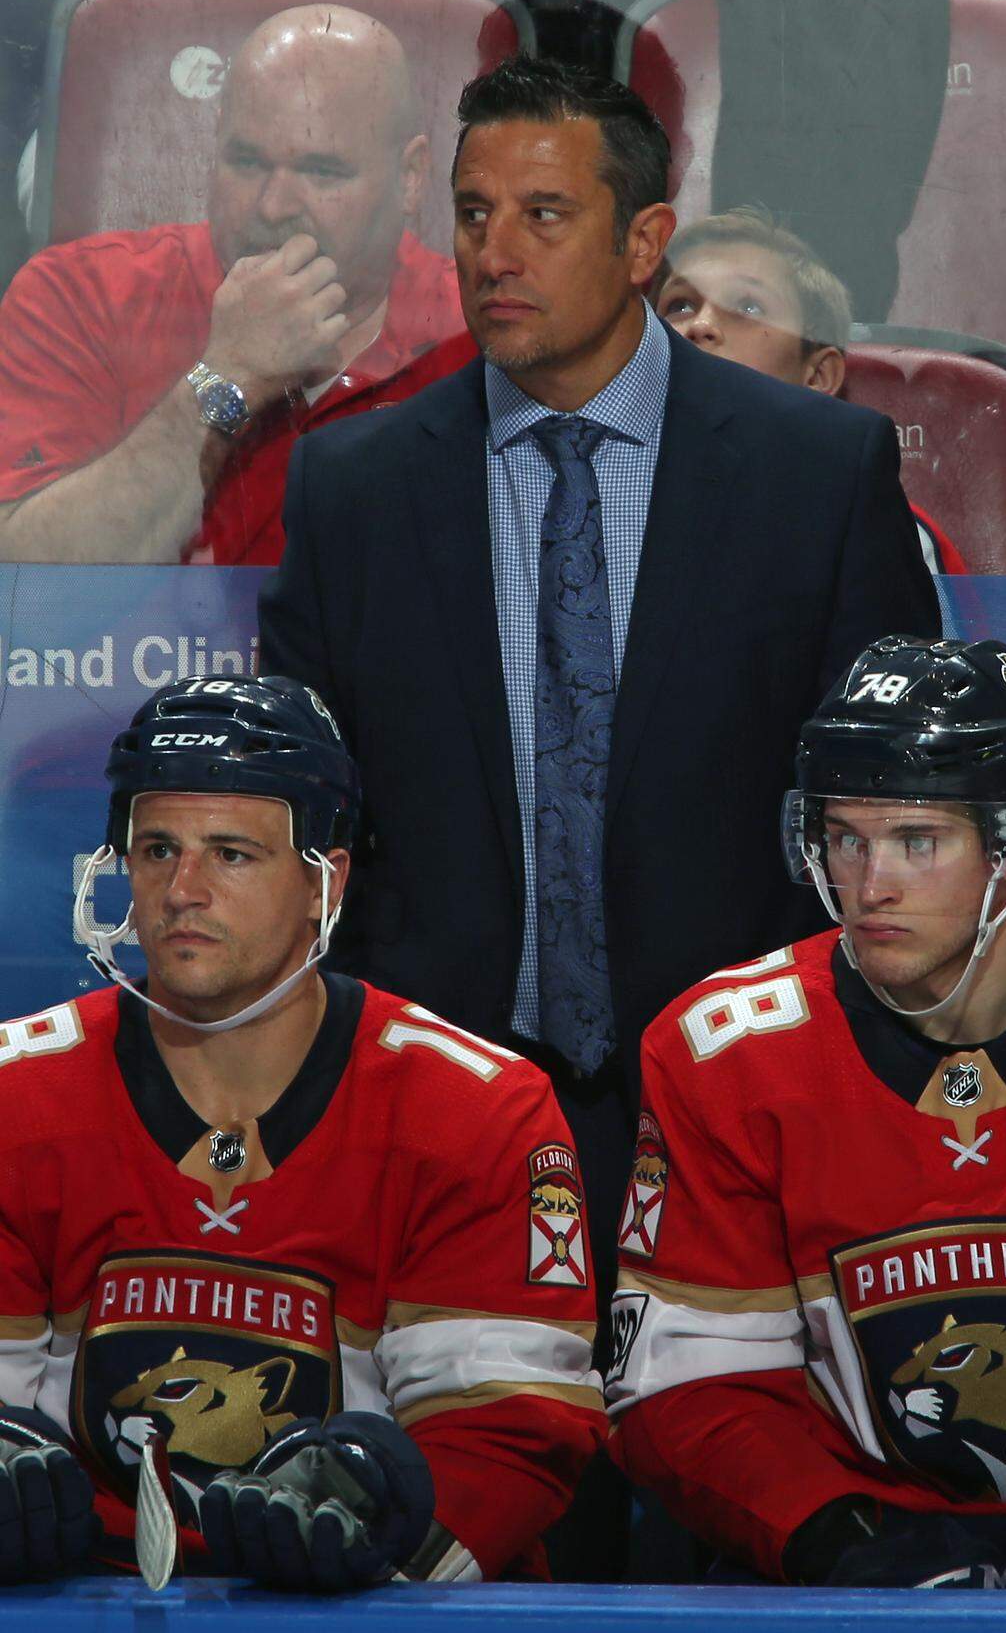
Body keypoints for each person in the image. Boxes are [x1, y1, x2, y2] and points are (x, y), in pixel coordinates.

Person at [258, 55, 941, 1315]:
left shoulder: (816, 472)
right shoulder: (354, 488)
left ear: (644, 243)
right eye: (473, 214)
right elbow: (307, 816)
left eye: (543, 215)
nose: (495, 254)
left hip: (746, 1107)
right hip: (436, 1110)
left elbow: (892, 806)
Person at [0, 675, 602, 1587]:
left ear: (328, 881)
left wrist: (377, 1534)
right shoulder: (18, 1095)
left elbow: (505, 1437)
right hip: (94, 1600)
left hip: (372, 1614)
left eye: (232, 854)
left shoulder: (474, 1108)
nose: (182, 891)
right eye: (157, 849)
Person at [608, 634, 1006, 1589]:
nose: (868, 884)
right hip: (852, 1548)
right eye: (845, 838)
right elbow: (688, 1384)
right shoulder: (724, 1051)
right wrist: (839, 1540)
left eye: (915, 841)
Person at [0, 5, 471, 565]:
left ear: (410, 178)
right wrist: (228, 376)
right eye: (247, 162)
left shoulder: (476, 329)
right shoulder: (83, 298)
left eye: (322, 171)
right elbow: (24, 584)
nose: (273, 207)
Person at [654, 205, 968, 576]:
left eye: (748, 306)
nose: (701, 325)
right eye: (680, 305)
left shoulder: (876, 527)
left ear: (818, 375)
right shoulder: (610, 505)